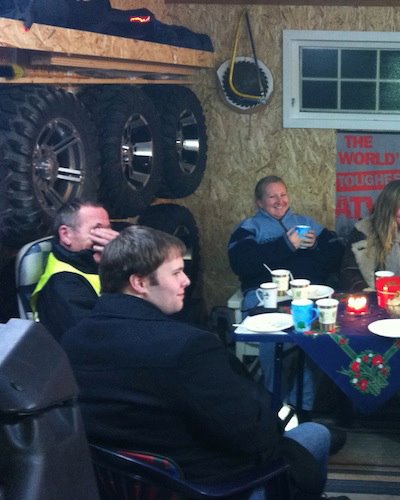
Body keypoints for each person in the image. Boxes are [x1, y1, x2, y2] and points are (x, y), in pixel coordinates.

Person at [61, 225, 347, 500]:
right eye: (176, 272)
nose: (186, 281)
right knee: (314, 434)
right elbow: (254, 436)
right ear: (140, 283)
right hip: (207, 488)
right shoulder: (187, 348)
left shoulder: (72, 340)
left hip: (119, 487)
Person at [228, 175, 344, 415]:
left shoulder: (305, 223)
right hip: (265, 297)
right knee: (275, 340)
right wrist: (285, 245)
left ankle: (301, 406)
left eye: (283, 195)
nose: (279, 201)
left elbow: (337, 251)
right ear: (260, 202)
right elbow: (241, 262)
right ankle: (274, 403)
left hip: (307, 296)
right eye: (272, 196)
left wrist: (316, 246)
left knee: (319, 340)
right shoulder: (250, 227)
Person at [31, 200, 118, 340]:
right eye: (97, 230)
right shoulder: (63, 284)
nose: (107, 238)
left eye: (109, 229)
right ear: (66, 235)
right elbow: (96, 340)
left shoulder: (95, 264)